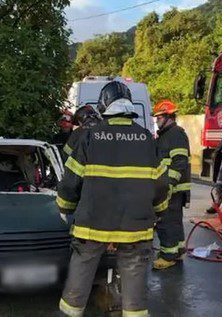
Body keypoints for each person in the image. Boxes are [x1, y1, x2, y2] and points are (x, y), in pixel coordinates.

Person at [56, 81, 168, 317]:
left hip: (92, 226)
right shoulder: (147, 138)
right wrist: (158, 211)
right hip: (135, 227)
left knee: (80, 276)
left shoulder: (89, 136)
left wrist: (65, 207)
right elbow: (160, 185)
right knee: (135, 287)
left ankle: (69, 314)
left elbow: (71, 181)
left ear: (104, 106)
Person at [151, 100, 191, 270]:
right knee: (174, 220)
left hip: (172, 187)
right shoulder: (167, 134)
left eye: (159, 117)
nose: (157, 121)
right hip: (171, 187)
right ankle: (178, 249)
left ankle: (168, 256)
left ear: (168, 116)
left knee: (165, 221)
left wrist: (168, 183)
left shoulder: (175, 134)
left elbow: (180, 161)